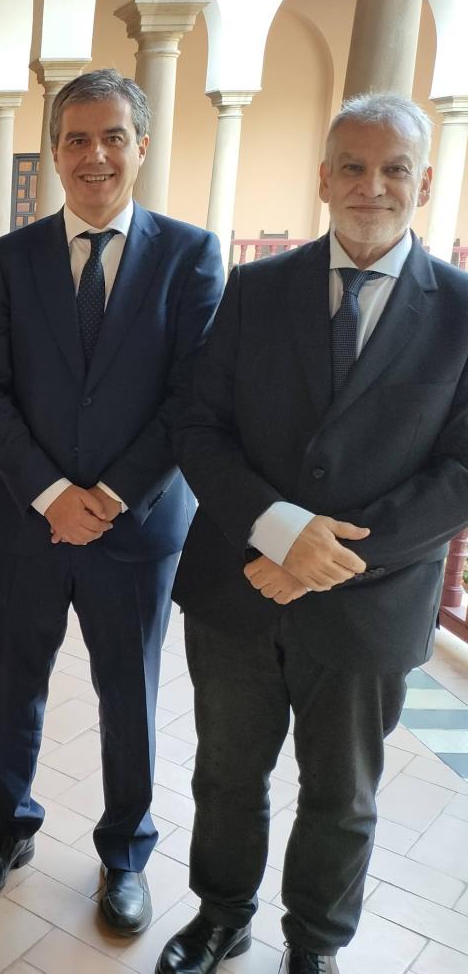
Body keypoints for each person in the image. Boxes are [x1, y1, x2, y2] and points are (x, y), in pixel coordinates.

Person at [157, 94, 468, 974]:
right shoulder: (255, 289)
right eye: (355, 167)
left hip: (369, 608)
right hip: (238, 589)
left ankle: (314, 945)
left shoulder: (461, 311)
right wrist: (277, 528)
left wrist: (324, 558)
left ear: (425, 181)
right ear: (324, 177)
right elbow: (197, 424)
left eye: (395, 168)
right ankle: (222, 916)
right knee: (225, 774)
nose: (374, 187)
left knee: (342, 795)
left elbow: (461, 471)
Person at [0, 69, 224, 931]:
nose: (94, 155)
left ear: (142, 146)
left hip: (134, 528)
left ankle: (125, 854)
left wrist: (104, 495)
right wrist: (47, 495)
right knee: (13, 682)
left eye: (113, 136)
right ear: (55, 152)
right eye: (75, 138)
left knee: (129, 695)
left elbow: (191, 397)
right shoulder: (7, 258)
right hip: (24, 523)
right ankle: (9, 828)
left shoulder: (190, 256)